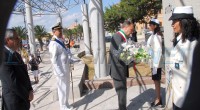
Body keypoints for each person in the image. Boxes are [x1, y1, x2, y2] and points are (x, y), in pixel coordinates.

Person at [168, 6, 198, 109]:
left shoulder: (193, 46)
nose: (172, 24)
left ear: (184, 22)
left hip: (188, 101)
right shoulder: (178, 40)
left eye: (175, 21)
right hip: (177, 97)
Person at [0, 29, 34, 110]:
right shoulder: (3, 56)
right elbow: (11, 82)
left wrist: (30, 89)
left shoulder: (16, 54)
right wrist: (27, 94)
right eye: (16, 38)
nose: (19, 40)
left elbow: (25, 74)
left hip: (24, 100)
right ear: (8, 40)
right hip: (14, 102)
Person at [109, 19, 134, 110]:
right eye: (131, 30)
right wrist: (133, 57)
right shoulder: (117, 36)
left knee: (122, 91)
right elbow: (118, 54)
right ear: (126, 27)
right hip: (118, 70)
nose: (131, 32)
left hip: (120, 69)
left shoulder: (122, 37)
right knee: (122, 91)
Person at [49, 22, 72, 110]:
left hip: (65, 68)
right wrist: (59, 72)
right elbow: (53, 60)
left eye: (61, 30)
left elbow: (65, 53)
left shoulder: (60, 41)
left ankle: (66, 103)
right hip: (61, 70)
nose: (61, 32)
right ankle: (63, 106)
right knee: (62, 88)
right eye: (59, 30)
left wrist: (71, 60)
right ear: (54, 32)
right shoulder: (53, 43)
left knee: (66, 87)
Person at [146, 18, 163, 107]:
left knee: (156, 81)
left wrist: (155, 66)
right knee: (156, 80)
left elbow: (158, 51)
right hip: (154, 63)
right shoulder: (153, 34)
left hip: (156, 64)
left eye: (150, 24)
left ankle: (158, 99)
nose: (149, 26)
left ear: (155, 26)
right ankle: (158, 97)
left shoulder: (157, 36)